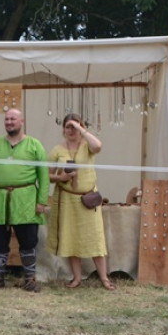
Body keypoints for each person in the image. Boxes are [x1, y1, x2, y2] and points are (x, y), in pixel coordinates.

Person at [0, 108, 50, 292]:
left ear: (22, 121)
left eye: (13, 119)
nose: (9, 122)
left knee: (28, 240)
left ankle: (30, 279)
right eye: (6, 119)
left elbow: (44, 175)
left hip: (25, 200)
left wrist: (41, 201)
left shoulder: (34, 145)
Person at [47, 114, 115, 290]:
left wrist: (81, 129)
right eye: (68, 127)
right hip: (67, 199)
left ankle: (104, 278)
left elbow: (98, 146)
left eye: (74, 127)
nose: (71, 130)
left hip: (87, 199)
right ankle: (76, 278)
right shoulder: (57, 150)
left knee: (95, 238)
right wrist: (61, 177)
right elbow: (47, 175)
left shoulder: (87, 147)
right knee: (71, 238)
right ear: (63, 130)